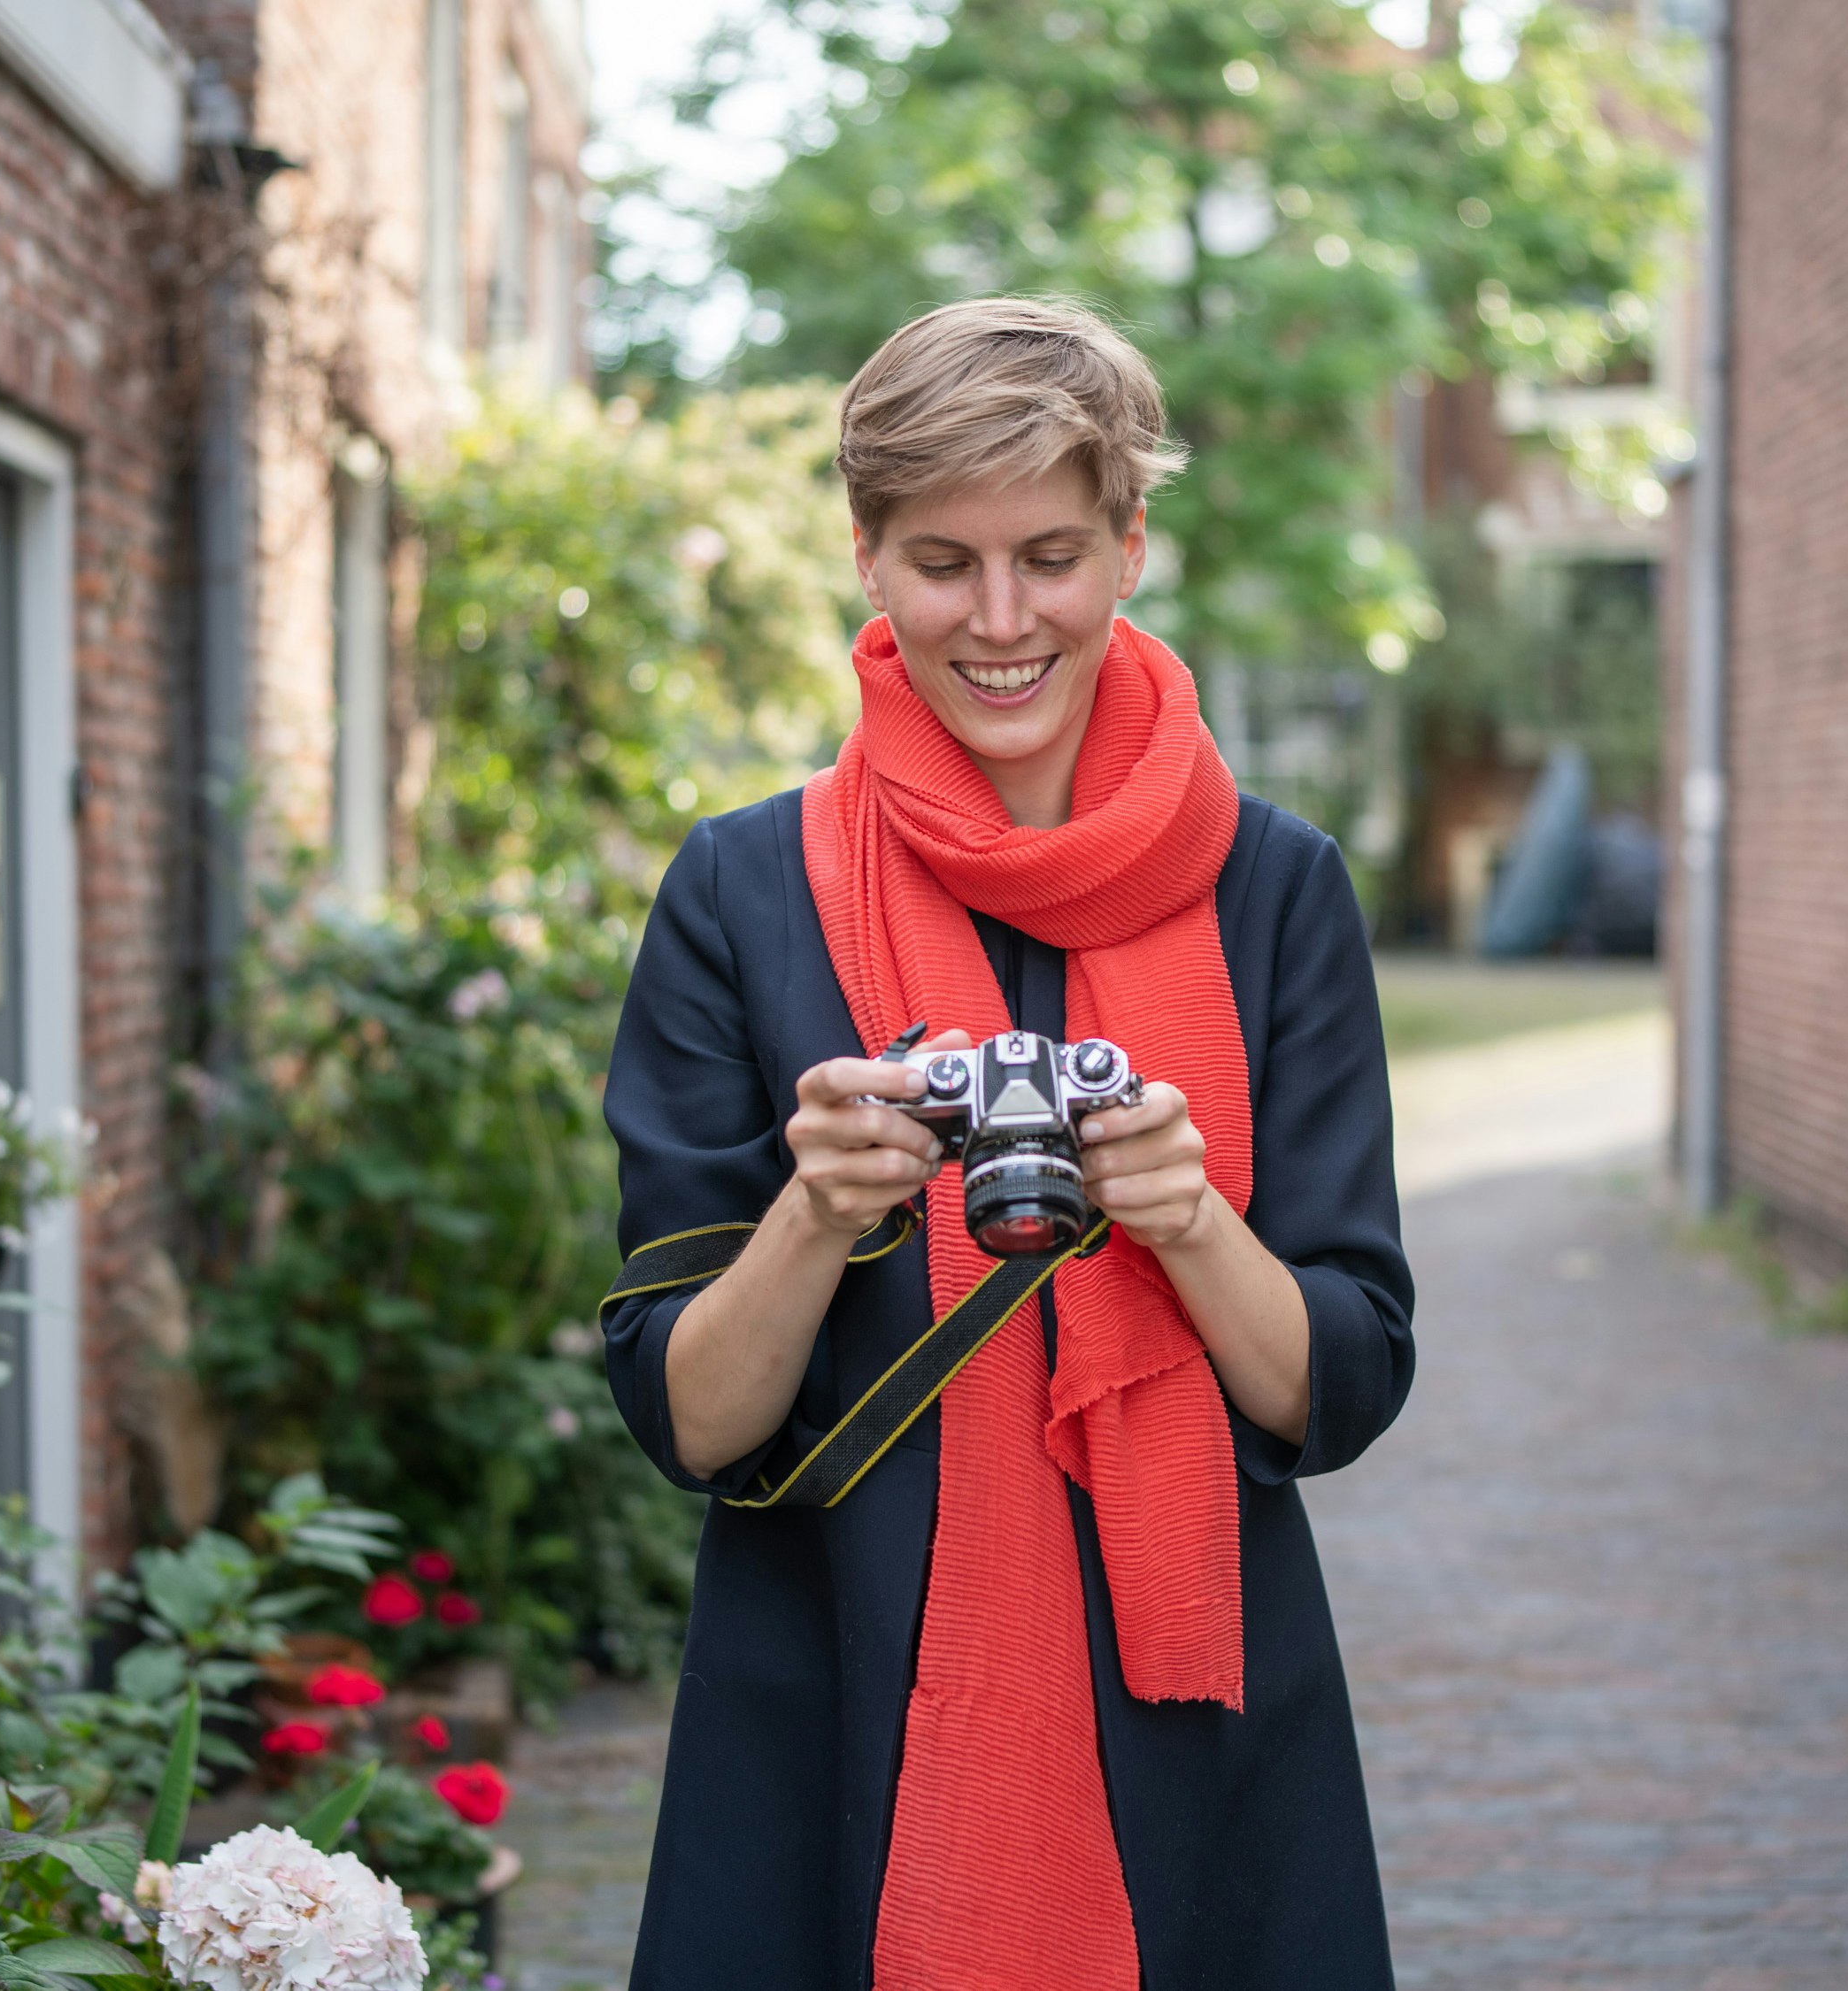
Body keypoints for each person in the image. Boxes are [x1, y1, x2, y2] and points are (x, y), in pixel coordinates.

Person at [600, 295, 1415, 1991]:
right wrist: (817, 1211)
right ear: (867, 559)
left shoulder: (1277, 891)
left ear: (1131, 542)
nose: (998, 619)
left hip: (1193, 1715)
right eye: (940, 560)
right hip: (832, 1693)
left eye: (1049, 554)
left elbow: (1339, 1388)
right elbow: (689, 1414)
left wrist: (1189, 1217)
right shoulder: (743, 895)